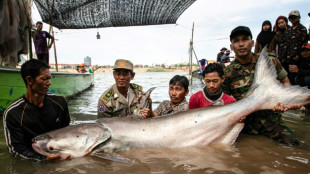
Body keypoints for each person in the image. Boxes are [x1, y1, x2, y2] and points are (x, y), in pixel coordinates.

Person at [223, 26, 300, 146]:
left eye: (245, 39)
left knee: (293, 146)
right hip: (245, 126)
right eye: (236, 41)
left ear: (252, 43)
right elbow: (225, 101)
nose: (241, 44)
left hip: (272, 120)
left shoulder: (268, 62)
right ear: (231, 47)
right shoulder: (227, 72)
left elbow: (285, 81)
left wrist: (284, 101)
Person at [3, 59, 71, 161]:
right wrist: (42, 159)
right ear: (29, 80)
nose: (49, 83)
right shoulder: (13, 113)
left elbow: (67, 131)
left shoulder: (60, 102)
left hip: (60, 154)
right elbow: (15, 149)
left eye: (49, 79)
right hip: (34, 157)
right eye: (44, 79)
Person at [281, 10, 308, 84]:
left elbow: (304, 44)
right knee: (286, 79)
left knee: (295, 79)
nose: (293, 19)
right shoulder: (287, 31)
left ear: (299, 18)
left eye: (294, 17)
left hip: (296, 59)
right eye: (291, 18)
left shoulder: (302, 29)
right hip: (286, 59)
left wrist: (299, 55)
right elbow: (283, 45)